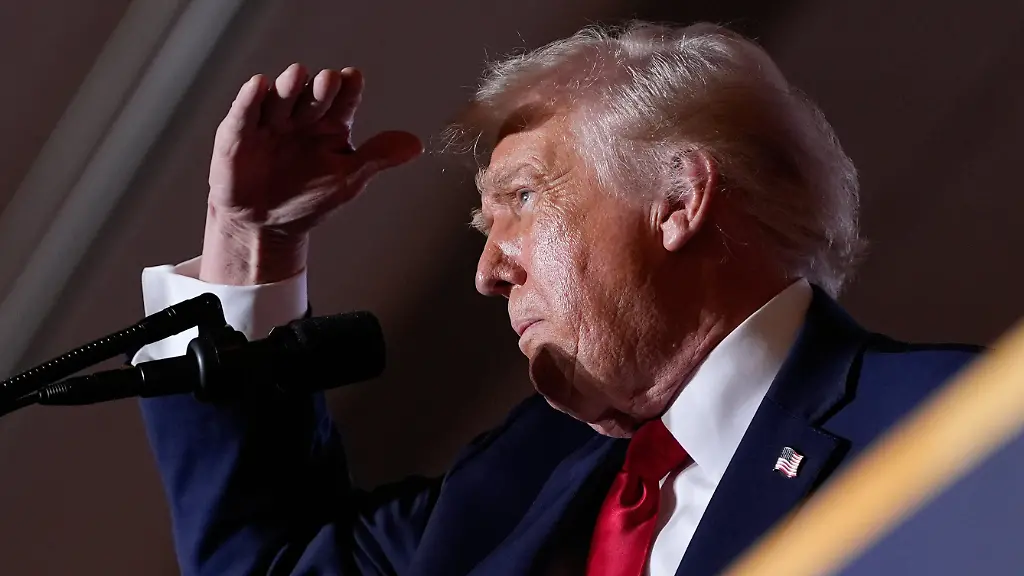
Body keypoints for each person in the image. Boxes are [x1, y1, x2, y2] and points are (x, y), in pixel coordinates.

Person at [136, 22, 980, 576]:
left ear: (678, 199)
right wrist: (250, 239)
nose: (487, 272)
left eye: (523, 198)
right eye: (483, 226)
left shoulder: (955, 424)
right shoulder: (523, 475)